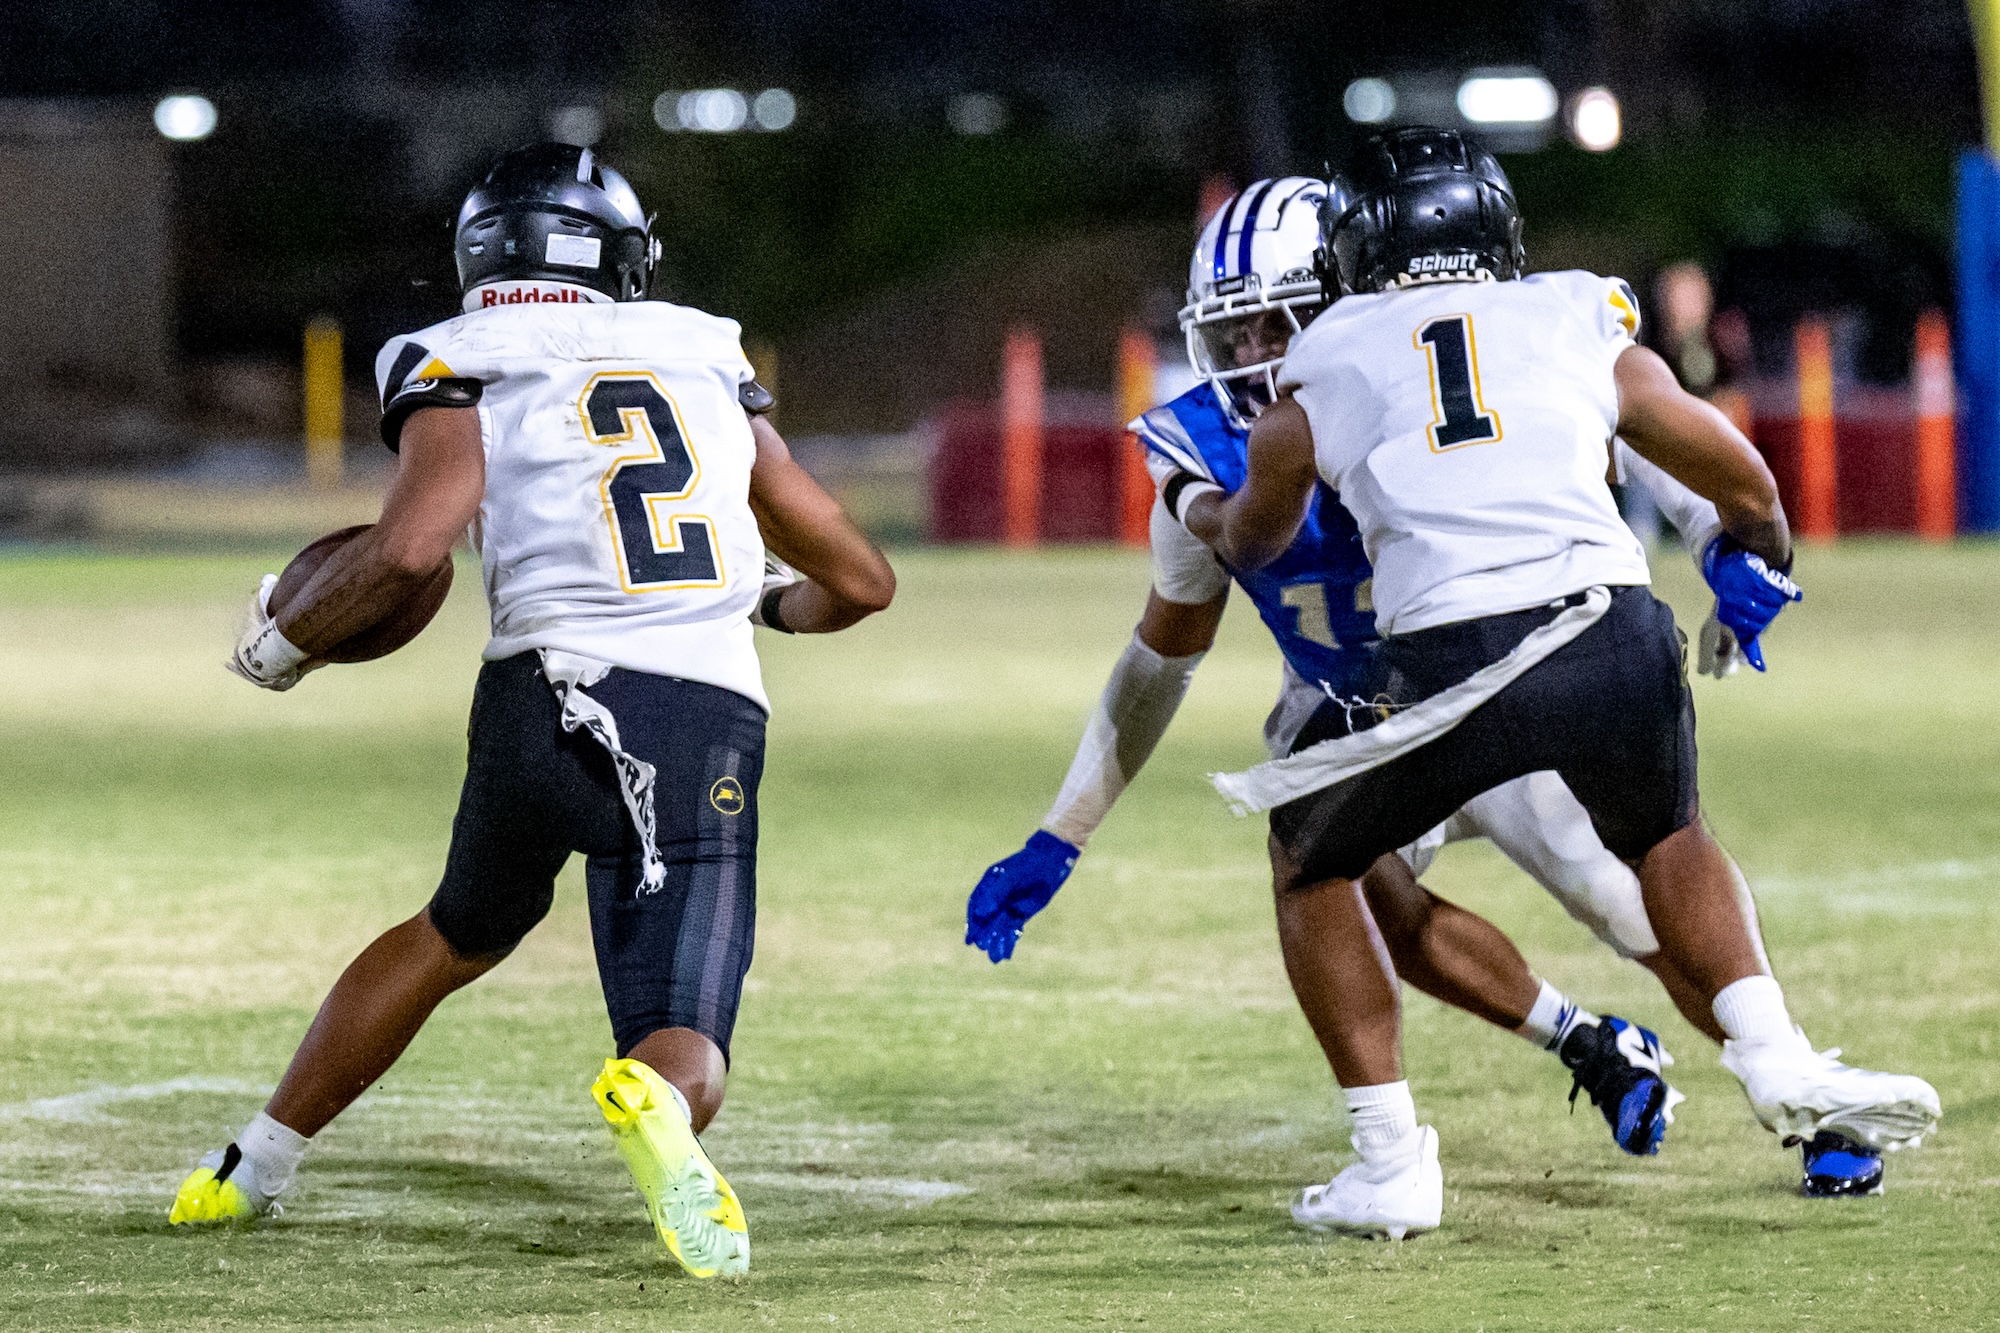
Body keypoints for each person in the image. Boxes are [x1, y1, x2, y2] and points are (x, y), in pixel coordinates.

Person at [1166, 129, 1937, 1238]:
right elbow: (1728, 470)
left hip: (1446, 661)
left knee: (1309, 855)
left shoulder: (1329, 352)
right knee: (1669, 838)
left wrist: (1201, 507)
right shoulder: (1571, 308)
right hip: (1611, 629)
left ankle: (1388, 1161)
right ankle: (1774, 1053)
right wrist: (1751, 558)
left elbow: (1251, 530)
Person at [168, 144, 895, 1279]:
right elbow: (861, 580)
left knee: (452, 931)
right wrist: (767, 602)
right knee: (681, 1020)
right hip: (689, 715)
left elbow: (412, 546)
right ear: (620, 258)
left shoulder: (452, 351)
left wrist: (284, 642)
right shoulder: (703, 349)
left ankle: (249, 1165)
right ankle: (657, 1105)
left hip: (528, 704)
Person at [968, 177, 1741, 1175]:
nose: (1254, 356)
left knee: (1627, 907)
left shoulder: (1439, 384)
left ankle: (1805, 1097)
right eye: (1234, 333)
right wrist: (1060, 833)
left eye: (1277, 325)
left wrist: (1720, 536)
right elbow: (1162, 654)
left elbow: (1641, 432)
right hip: (1358, 713)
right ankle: (1577, 1051)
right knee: (1361, 896)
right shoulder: (1206, 450)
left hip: (1498, 685)